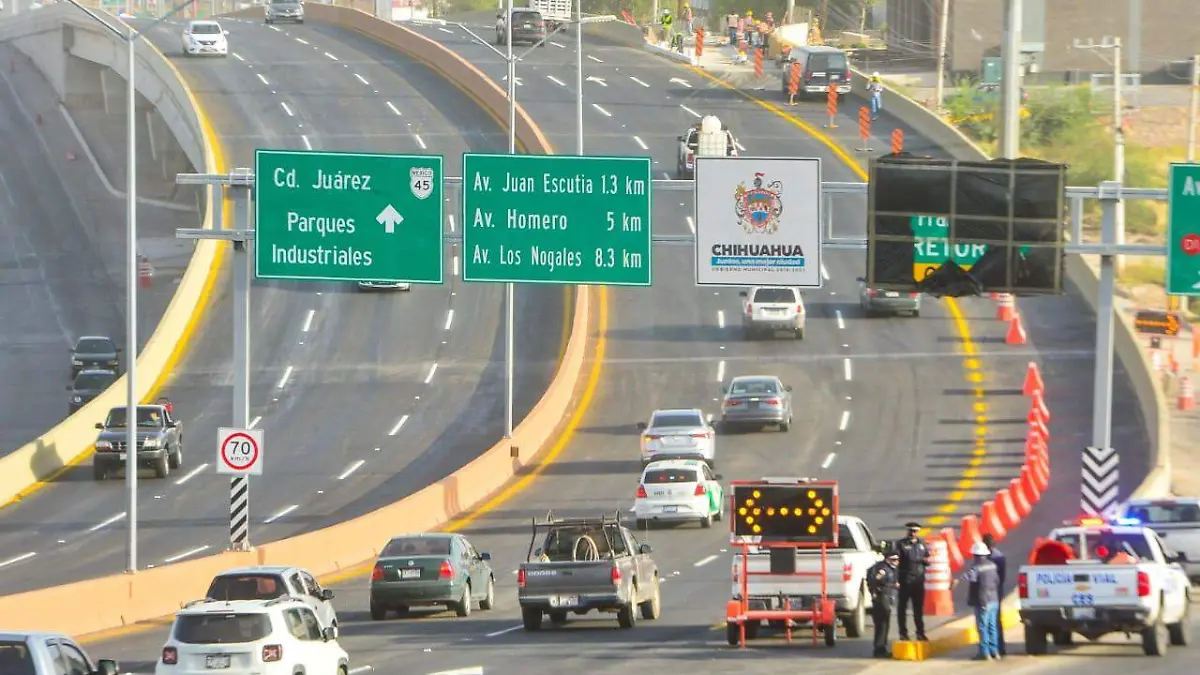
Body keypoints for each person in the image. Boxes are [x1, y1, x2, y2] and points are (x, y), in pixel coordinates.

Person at [954, 541, 1002, 661]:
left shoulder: (976, 567)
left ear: (975, 555)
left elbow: (969, 577)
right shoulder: (993, 565)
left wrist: (957, 580)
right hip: (994, 600)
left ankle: (984, 653)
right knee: (992, 627)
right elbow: (997, 581)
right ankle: (995, 652)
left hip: (983, 601)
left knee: (983, 628)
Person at [894, 521, 930, 641]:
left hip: (918, 581)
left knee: (918, 609)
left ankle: (920, 632)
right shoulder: (901, 544)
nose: (913, 533)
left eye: (915, 531)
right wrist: (896, 579)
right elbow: (896, 562)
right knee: (902, 609)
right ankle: (903, 633)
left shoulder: (922, 544)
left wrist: (926, 561)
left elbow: (927, 557)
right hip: (905, 580)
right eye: (911, 531)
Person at [866, 548, 900, 658]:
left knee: (885, 624)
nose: (897, 562)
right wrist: (875, 593)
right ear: (888, 559)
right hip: (881, 598)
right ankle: (879, 649)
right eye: (894, 559)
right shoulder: (883, 569)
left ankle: (882, 648)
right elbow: (875, 581)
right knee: (882, 624)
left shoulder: (890, 568)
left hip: (886, 597)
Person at [981, 533, 1007, 657]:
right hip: (995, 592)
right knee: (993, 622)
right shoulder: (997, 556)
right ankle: (996, 649)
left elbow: (999, 578)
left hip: (993, 592)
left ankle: (996, 648)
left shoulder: (996, 558)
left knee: (991, 622)